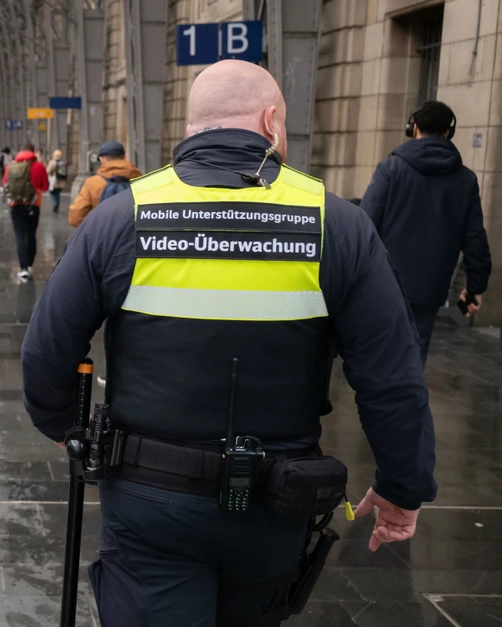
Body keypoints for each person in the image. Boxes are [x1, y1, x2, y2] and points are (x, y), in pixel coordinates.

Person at [22, 60, 435, 627]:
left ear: (192, 128)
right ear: (271, 120)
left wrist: (72, 434)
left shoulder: (122, 219)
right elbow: (392, 377)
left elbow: (46, 350)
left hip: (149, 499)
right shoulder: (335, 224)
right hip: (275, 506)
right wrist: (401, 486)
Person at [360, 100, 491, 364]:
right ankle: (407, 402)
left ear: (414, 128)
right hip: (431, 286)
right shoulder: (465, 180)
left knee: (378, 354)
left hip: (384, 282)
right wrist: (475, 286)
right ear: (447, 133)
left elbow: (365, 224)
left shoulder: (391, 169)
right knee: (413, 357)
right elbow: (475, 236)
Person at [2, 143, 50, 280]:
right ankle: (29, 265)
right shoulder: (39, 166)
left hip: (16, 204)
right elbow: (45, 186)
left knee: (19, 235)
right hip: (33, 205)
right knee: (31, 234)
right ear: (33, 151)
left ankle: (22, 267)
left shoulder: (10, 166)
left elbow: (5, 183)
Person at [68, 140, 142, 227]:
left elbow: (75, 218)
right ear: (125, 157)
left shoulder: (92, 183)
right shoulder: (140, 180)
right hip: (132, 237)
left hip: (103, 236)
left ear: (101, 159)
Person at [46, 149, 67, 214]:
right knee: (57, 194)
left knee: (52, 193)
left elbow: (48, 171)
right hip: (61, 181)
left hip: (54, 181)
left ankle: (54, 204)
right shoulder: (62, 162)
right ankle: (57, 205)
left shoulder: (52, 162)